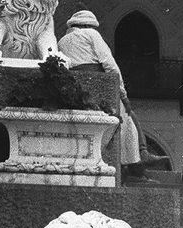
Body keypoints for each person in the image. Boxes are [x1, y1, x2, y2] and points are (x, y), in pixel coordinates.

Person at [58, 11, 164, 183]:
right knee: (128, 118)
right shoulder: (91, 34)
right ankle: (138, 160)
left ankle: (141, 156)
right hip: (100, 85)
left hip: (75, 89)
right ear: (87, 25)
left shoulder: (62, 41)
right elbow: (110, 65)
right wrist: (123, 94)